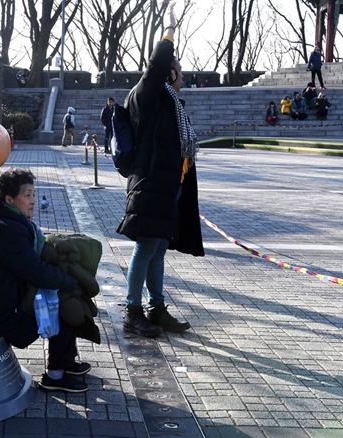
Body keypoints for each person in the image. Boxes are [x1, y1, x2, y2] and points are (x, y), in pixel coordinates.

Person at [117, 2, 204, 338]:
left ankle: (156, 307)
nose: (184, 78)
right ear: (169, 73)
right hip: (150, 184)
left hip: (166, 187)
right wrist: (169, 33)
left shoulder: (170, 104)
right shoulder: (148, 95)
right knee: (145, 247)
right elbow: (156, 66)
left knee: (156, 247)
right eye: (180, 73)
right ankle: (132, 310)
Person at [0, 168, 90, 393]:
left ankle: (66, 362)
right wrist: (70, 282)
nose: (33, 201)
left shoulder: (8, 221)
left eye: (34, 195)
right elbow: (37, 272)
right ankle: (55, 375)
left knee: (61, 291)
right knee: (66, 303)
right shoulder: (8, 231)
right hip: (0, 317)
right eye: (27, 195)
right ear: (9, 199)